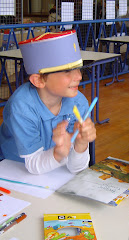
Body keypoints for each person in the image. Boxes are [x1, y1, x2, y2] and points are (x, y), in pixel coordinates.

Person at [0, 30, 96, 175]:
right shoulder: (21, 107)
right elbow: (33, 165)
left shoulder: (79, 103)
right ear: (38, 80)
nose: (79, 76)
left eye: (78, 68)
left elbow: (76, 169)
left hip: (54, 172)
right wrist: (58, 153)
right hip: (14, 172)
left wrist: (81, 144)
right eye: (67, 71)